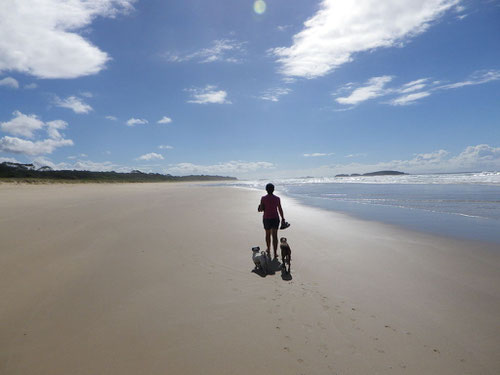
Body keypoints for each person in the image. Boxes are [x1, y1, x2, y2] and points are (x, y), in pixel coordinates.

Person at [258, 183, 285, 258]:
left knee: (267, 235)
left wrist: (259, 207)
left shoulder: (263, 198)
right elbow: (280, 209)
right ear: (273, 189)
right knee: (275, 236)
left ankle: (268, 249)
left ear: (266, 190)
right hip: (275, 218)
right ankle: (275, 253)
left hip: (266, 218)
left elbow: (261, 209)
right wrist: (283, 218)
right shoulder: (277, 198)